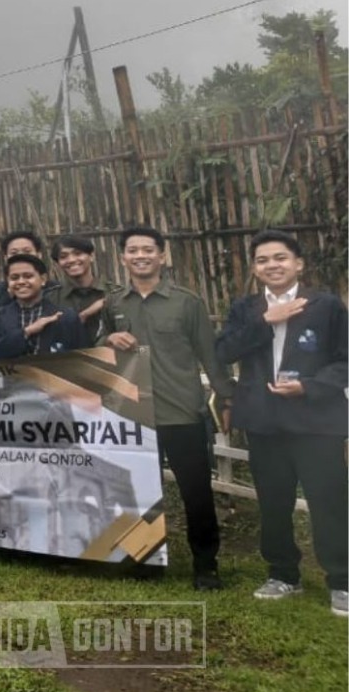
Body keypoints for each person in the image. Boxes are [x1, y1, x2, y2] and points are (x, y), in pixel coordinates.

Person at [214, 229, 347, 614]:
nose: (272, 265)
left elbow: (344, 360)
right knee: (273, 502)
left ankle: (342, 580)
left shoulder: (325, 305)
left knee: (329, 500)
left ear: (298, 263)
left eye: (280, 258)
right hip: (264, 421)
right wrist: (266, 321)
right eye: (263, 260)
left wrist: (310, 386)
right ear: (255, 268)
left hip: (317, 421)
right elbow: (223, 350)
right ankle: (283, 574)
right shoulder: (246, 308)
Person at [103, 225, 235, 591]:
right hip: (134, 414)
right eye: (133, 250)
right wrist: (108, 337)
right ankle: (143, 561)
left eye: (148, 249)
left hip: (182, 413)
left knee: (196, 493)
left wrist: (226, 397)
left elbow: (210, 354)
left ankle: (205, 566)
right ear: (123, 257)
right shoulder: (116, 302)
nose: (140, 255)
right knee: (140, 491)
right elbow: (101, 346)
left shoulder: (186, 301)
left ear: (162, 255)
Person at [0, 254, 86, 359]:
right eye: (14, 278)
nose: (21, 282)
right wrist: (27, 332)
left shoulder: (66, 316)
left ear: (43, 279)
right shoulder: (0, 316)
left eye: (28, 276)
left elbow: (83, 357)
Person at [49, 235, 114, 343]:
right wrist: (86, 314)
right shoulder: (51, 298)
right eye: (63, 256)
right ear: (58, 264)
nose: (71, 260)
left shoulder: (115, 293)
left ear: (91, 256)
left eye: (78, 253)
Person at [0, 231, 47, 307]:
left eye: (27, 251)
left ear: (39, 255)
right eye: (14, 253)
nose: (21, 256)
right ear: (5, 258)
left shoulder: (55, 290)